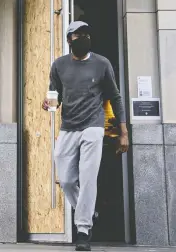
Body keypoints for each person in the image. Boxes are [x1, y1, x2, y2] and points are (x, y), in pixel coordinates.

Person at [42, 21, 129, 251]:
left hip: (93, 125)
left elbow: (115, 97)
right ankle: (89, 211)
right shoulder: (59, 65)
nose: (84, 39)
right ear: (70, 39)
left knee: (88, 175)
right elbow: (56, 96)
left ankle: (83, 229)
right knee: (67, 180)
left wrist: (123, 131)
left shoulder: (101, 64)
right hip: (68, 126)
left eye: (86, 35)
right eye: (78, 35)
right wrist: (48, 103)